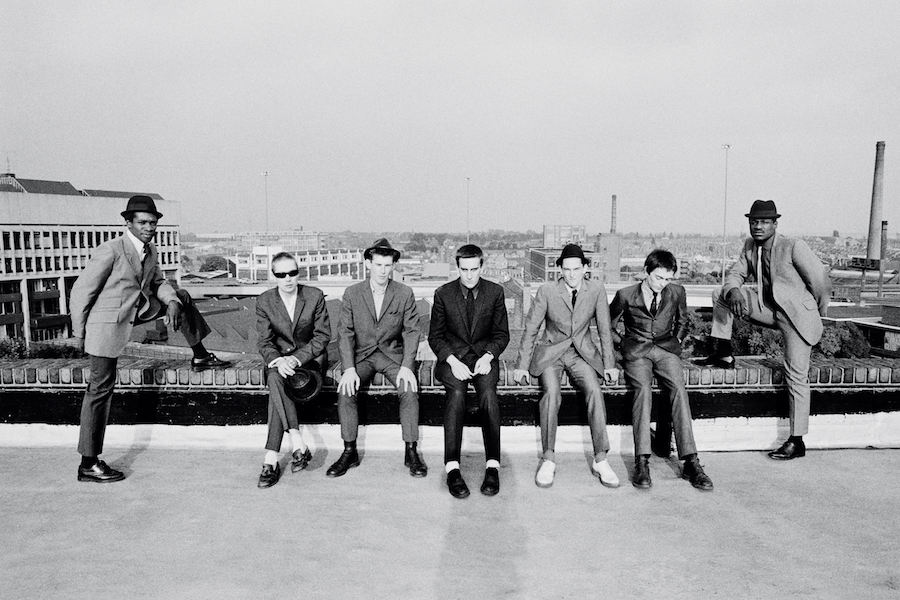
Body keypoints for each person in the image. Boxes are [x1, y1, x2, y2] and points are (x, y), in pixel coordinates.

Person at [69, 195, 230, 483]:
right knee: (100, 389)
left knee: (179, 296)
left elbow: (157, 282)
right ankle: (88, 463)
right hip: (106, 325)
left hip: (138, 309)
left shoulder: (150, 250)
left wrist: (170, 302)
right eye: (142, 222)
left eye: (153, 223)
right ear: (128, 222)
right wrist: (80, 333)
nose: (148, 228)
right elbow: (82, 291)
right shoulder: (111, 250)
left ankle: (200, 353)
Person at [702, 200, 830, 460]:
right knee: (721, 293)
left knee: (796, 376)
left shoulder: (793, 246)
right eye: (753, 221)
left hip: (796, 317)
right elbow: (735, 273)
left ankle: (797, 440)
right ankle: (723, 353)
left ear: (775, 224)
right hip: (768, 309)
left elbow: (820, 281)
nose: (757, 226)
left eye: (763, 222)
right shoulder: (749, 246)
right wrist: (735, 289)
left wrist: (815, 312)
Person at [513, 244, 620, 489]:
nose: (571, 274)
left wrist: (610, 365)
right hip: (551, 353)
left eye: (576, 269)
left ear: (585, 269)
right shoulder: (547, 291)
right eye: (566, 269)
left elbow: (604, 330)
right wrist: (520, 365)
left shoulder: (596, 290)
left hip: (581, 353)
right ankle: (549, 458)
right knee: (551, 393)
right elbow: (531, 329)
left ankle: (601, 458)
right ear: (560, 269)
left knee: (594, 390)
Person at [609, 249, 713, 491]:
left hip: (666, 350)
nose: (662, 284)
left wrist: (676, 341)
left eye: (668, 279)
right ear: (646, 272)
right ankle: (642, 461)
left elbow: (683, 320)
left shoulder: (677, 292)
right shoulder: (625, 295)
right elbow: (608, 325)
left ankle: (691, 461)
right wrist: (624, 344)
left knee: (678, 388)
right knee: (642, 390)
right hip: (637, 352)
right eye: (658, 278)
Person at [327, 238, 427, 478]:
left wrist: (407, 365)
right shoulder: (352, 293)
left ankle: (411, 451)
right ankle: (349, 451)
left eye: (388, 266)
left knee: (409, 389)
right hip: (362, 357)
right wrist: (349, 368)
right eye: (378, 265)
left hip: (392, 356)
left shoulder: (404, 293)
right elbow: (345, 333)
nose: (383, 271)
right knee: (346, 390)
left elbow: (412, 331)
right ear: (368, 264)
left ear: (393, 267)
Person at [428, 244, 510, 498]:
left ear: (482, 267)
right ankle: (452, 468)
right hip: (454, 359)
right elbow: (435, 337)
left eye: (474, 269)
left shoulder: (495, 292)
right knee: (456, 393)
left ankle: (493, 466)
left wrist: (488, 356)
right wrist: (452, 361)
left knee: (488, 394)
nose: (470, 275)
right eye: (464, 270)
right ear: (458, 268)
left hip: (483, 358)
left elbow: (501, 334)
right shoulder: (443, 293)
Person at [254, 252, 331, 488]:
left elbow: (322, 337)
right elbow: (264, 342)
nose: (288, 279)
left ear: (298, 272)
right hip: (280, 362)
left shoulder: (314, 296)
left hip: (310, 359)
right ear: (274, 276)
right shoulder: (265, 301)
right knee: (275, 377)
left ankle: (272, 459)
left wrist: (296, 359)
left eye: (292, 273)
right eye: (281, 274)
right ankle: (293, 444)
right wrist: (279, 360)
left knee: (276, 381)